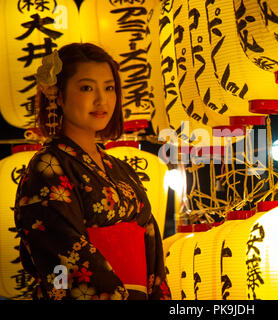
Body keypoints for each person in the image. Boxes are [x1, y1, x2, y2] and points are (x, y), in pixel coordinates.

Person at [14, 43, 171, 300]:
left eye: (109, 88)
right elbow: (61, 251)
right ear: (59, 95)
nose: (101, 99)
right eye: (87, 87)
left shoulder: (121, 169)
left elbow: (151, 245)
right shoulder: (48, 166)